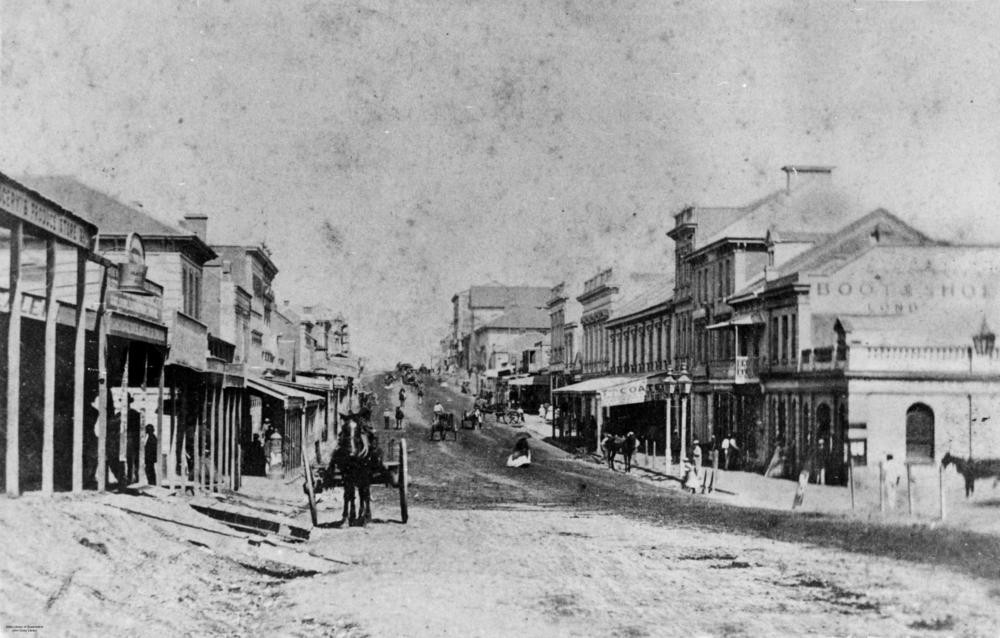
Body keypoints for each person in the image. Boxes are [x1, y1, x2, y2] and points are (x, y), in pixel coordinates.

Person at [125, 394, 142, 484]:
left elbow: (138, 427)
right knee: (127, 460)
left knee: (133, 459)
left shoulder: (134, 413)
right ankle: (127, 478)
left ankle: (135, 478)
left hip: (132, 439)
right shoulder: (119, 414)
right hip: (124, 439)